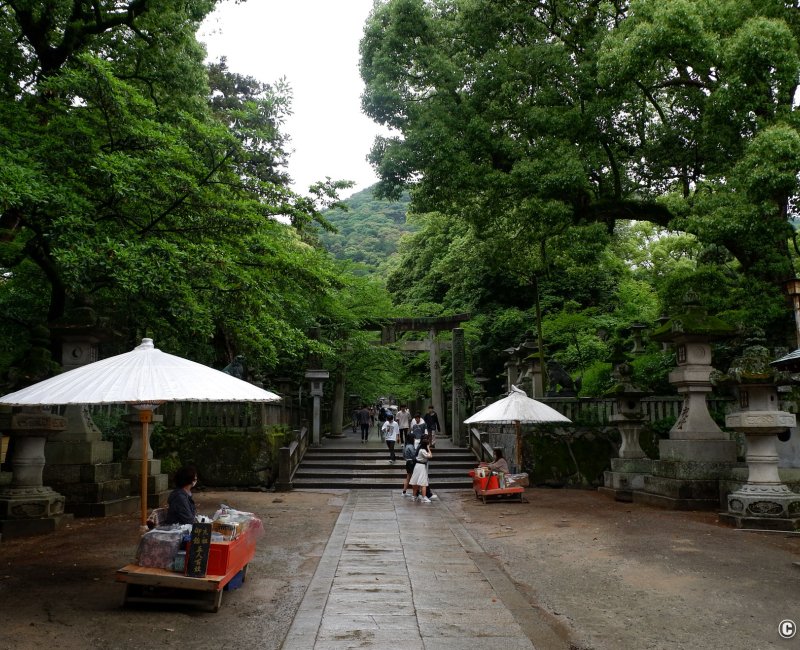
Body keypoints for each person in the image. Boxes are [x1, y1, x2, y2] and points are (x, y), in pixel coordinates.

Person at [409, 436, 433, 503]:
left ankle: (414, 496)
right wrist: (429, 449)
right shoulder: (423, 450)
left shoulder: (420, 449)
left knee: (415, 481)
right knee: (423, 482)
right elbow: (430, 456)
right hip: (421, 466)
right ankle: (424, 497)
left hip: (417, 466)